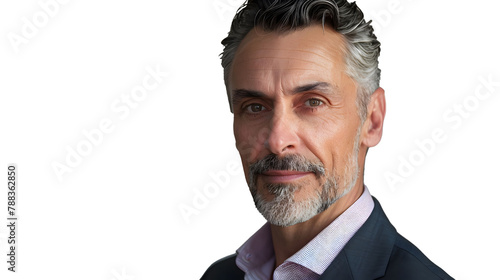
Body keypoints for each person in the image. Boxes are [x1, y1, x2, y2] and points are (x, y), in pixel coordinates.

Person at [202, 0, 453, 279]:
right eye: (255, 106)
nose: (277, 141)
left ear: (372, 120)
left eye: (312, 102)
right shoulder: (220, 276)